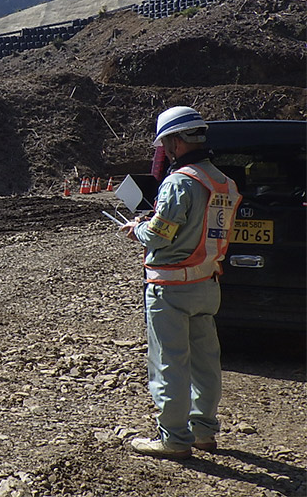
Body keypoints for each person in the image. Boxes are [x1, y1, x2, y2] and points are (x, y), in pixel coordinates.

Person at [121, 106, 241, 460]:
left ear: (174, 141)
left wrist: (136, 229)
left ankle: (173, 438)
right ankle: (203, 431)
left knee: (170, 362)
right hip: (207, 282)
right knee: (206, 361)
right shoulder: (222, 181)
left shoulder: (180, 182)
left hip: (171, 287)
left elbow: (159, 235)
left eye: (165, 144)